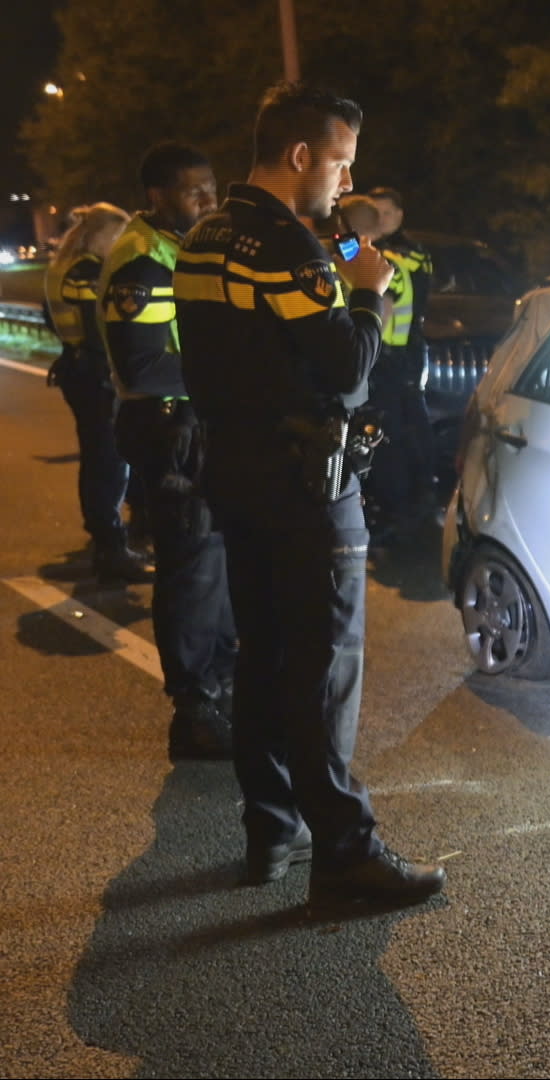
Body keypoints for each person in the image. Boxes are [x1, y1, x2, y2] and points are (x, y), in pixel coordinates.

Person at [175, 82, 446, 903]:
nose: (343, 179)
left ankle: (272, 831)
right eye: (339, 160)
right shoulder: (285, 245)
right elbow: (344, 363)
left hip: (236, 470)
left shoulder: (204, 235)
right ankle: (347, 852)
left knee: (261, 655)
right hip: (305, 478)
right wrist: (368, 288)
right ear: (300, 156)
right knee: (324, 663)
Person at [101, 142, 235, 759]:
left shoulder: (180, 248)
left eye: (212, 188)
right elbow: (146, 364)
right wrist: (238, 367)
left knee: (218, 563)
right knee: (193, 567)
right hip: (167, 428)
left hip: (195, 425)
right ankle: (195, 710)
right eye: (194, 192)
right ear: (158, 197)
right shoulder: (142, 263)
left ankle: (224, 686)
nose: (209, 200)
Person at [43, 202, 149, 582]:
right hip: (96, 375)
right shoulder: (87, 273)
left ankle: (110, 535)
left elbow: (49, 318)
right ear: (101, 235)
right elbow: (101, 330)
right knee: (109, 461)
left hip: (76, 369)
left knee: (98, 455)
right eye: (117, 238)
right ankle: (111, 547)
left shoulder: (61, 268)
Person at [339, 192, 433, 539]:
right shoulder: (372, 256)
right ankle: (404, 506)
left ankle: (397, 512)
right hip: (391, 359)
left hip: (384, 361)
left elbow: (384, 309)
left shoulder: (381, 261)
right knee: (397, 433)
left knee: (385, 439)